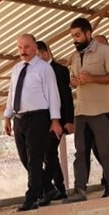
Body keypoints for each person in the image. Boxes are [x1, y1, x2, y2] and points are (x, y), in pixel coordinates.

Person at [65, 18, 109, 201]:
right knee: (80, 152)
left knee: (104, 152)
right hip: (81, 111)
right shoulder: (74, 57)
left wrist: (92, 78)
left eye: (78, 35)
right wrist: (73, 82)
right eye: (73, 36)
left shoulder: (105, 51)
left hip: (101, 110)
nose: (75, 39)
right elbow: (73, 79)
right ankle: (79, 190)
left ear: (88, 33)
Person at [5, 34, 63, 211]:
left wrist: (55, 120)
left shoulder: (44, 68)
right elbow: (12, 94)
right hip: (20, 118)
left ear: (35, 48)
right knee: (25, 157)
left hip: (38, 117)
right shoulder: (16, 69)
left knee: (35, 159)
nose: (23, 51)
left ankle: (31, 198)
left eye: (27, 47)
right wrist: (7, 116)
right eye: (20, 48)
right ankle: (48, 187)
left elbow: (53, 94)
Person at [37, 39, 73, 202]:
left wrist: (68, 120)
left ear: (46, 53)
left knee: (50, 153)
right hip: (42, 121)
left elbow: (66, 96)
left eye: (38, 55)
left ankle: (45, 187)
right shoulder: (36, 72)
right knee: (48, 154)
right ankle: (60, 188)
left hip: (57, 119)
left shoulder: (60, 70)